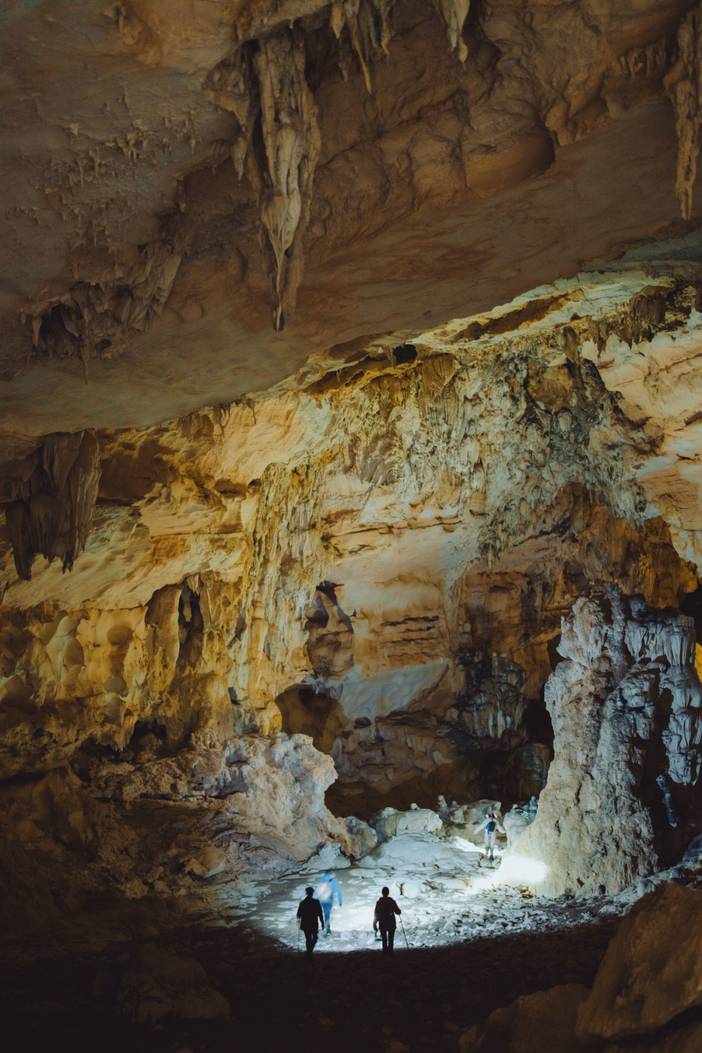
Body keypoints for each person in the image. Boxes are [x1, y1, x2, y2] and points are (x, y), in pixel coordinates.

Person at [297, 886, 324, 957]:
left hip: (305, 923)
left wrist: (300, 917)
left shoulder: (302, 902)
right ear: (312, 893)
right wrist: (322, 923)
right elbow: (320, 913)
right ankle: (309, 952)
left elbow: (298, 914)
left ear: (306, 893)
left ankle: (309, 952)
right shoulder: (316, 902)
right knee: (315, 938)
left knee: (308, 939)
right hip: (314, 923)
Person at [374, 886, 401, 954]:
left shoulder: (379, 902)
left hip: (382, 921)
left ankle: (385, 952)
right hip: (391, 921)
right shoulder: (391, 901)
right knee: (391, 939)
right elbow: (397, 911)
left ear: (382, 893)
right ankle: (390, 952)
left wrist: (375, 922)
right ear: (388, 893)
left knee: (384, 939)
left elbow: (376, 913)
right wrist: (398, 911)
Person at [315, 871, 343, 935]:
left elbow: (317, 890)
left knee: (318, 913)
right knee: (327, 915)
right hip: (328, 901)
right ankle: (327, 929)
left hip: (321, 900)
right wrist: (340, 901)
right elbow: (338, 892)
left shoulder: (322, 880)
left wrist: (313, 899)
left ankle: (317, 927)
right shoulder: (333, 881)